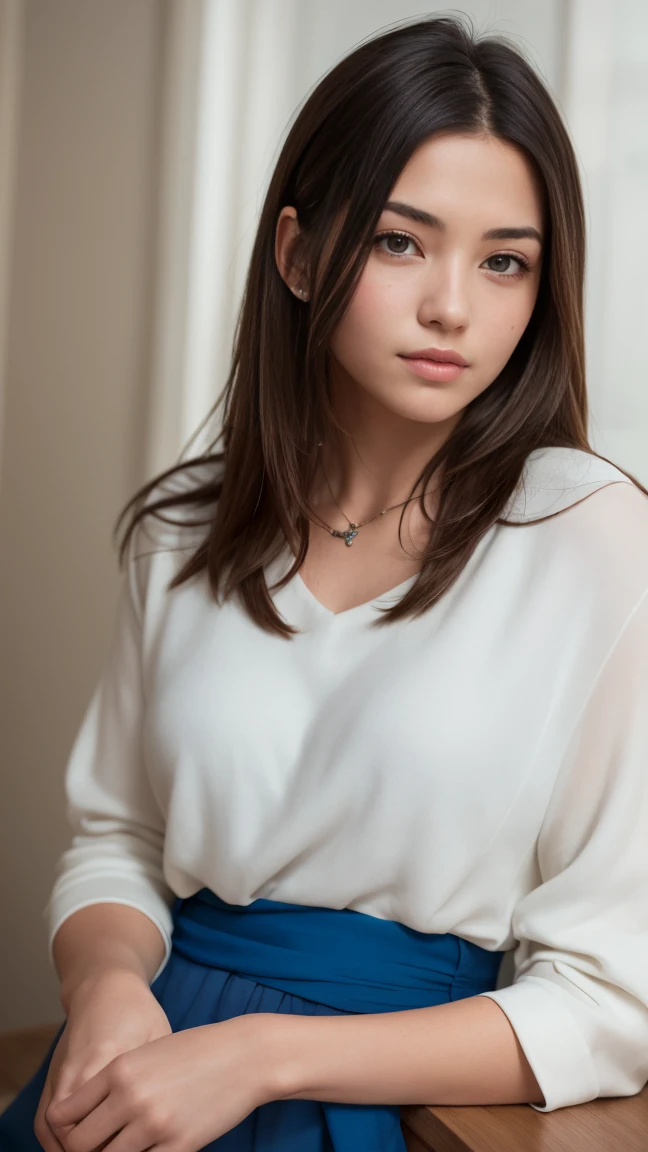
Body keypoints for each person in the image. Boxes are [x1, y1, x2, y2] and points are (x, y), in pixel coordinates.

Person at [2, 12, 648, 1152]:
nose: (455, 304)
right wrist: (106, 987)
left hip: (395, 1103)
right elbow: (118, 839)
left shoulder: (590, 537)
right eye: (403, 243)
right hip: (142, 1073)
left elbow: (611, 1000)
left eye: (505, 261)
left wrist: (258, 1058)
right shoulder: (186, 527)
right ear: (299, 255)